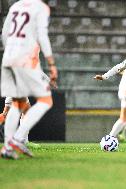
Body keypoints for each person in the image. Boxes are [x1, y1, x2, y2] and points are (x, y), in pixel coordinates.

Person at [1, 0, 57, 159]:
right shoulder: (40, 7)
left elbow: (5, 33)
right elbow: (42, 36)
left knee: (18, 104)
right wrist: (51, 64)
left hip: (9, 57)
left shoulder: (15, 6)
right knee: (46, 101)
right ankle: (18, 139)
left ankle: (7, 147)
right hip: (25, 60)